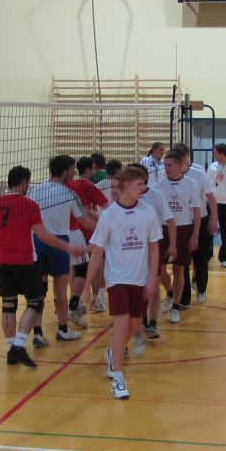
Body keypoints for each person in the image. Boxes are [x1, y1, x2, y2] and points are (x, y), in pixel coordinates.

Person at [0, 165, 84, 368]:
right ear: (23, 183)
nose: (28, 186)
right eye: (28, 183)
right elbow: (44, 236)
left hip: (2, 262)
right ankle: (19, 345)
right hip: (24, 261)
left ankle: (11, 351)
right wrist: (67, 247)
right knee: (36, 302)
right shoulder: (29, 205)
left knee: (8, 305)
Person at [87, 166, 161, 400]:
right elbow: (97, 252)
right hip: (117, 279)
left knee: (135, 326)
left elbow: (154, 247)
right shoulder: (109, 215)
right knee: (120, 327)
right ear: (127, 186)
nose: (143, 188)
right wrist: (87, 287)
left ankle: (113, 352)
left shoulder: (148, 212)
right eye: (139, 184)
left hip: (140, 279)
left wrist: (152, 279)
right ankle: (118, 379)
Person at [28, 155, 96, 344]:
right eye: (72, 169)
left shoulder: (35, 190)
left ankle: (38, 334)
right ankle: (63, 330)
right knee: (60, 290)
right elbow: (85, 221)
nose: (74, 173)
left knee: (40, 291)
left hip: (38, 241)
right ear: (65, 171)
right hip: (59, 244)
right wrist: (108, 230)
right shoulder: (69, 193)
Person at [128, 163, 176, 339]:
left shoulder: (156, 196)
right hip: (134, 248)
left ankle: (153, 324)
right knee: (138, 287)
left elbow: (170, 220)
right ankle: (143, 320)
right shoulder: (125, 198)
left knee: (154, 284)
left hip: (154, 244)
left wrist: (173, 244)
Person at [154, 150, 201, 323]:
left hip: (183, 229)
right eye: (165, 165)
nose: (166, 168)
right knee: (159, 269)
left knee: (179, 270)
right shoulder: (158, 186)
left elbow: (196, 212)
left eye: (170, 165)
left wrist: (195, 235)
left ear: (180, 166)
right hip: (163, 230)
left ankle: (175, 307)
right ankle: (169, 292)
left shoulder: (191, 184)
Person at [65, 156, 110, 325]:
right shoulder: (89, 186)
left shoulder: (68, 185)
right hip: (90, 229)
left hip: (73, 230)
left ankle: (75, 301)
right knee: (96, 265)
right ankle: (96, 300)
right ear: (89, 170)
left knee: (74, 268)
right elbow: (104, 205)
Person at [172, 143, 219, 304]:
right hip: (183, 222)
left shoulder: (198, 173)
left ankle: (201, 288)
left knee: (201, 259)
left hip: (202, 218)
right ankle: (184, 298)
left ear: (187, 157)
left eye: (182, 159)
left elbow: (210, 197)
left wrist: (214, 218)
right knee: (182, 262)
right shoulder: (169, 175)